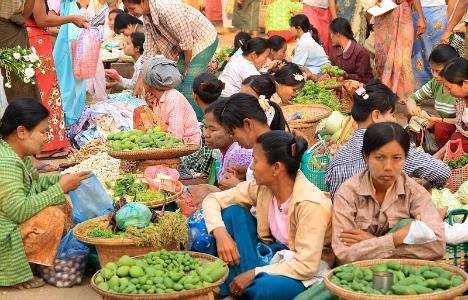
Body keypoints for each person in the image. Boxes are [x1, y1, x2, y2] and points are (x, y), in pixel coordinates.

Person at [202, 130, 332, 299]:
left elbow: (306, 266)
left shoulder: (310, 203)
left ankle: (242, 285)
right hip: (271, 254)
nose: (251, 167)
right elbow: (212, 200)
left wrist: (254, 273)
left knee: (263, 289)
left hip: (303, 269)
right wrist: (220, 234)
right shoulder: (263, 188)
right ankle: (235, 288)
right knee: (232, 213)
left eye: (255, 160)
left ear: (276, 168)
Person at [0, 99, 90, 288]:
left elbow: (34, 183)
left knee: (60, 204)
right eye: (43, 132)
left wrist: (62, 178)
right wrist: (61, 188)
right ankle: (14, 273)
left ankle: (37, 262)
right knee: (52, 217)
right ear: (22, 132)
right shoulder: (7, 162)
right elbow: (18, 210)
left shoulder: (18, 155)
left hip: (9, 221)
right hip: (4, 234)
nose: (46, 138)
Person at [332, 122, 445, 264]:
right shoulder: (348, 194)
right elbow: (344, 254)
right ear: (366, 157)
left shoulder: (414, 192)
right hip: (357, 274)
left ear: (405, 158)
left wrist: (375, 242)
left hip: (401, 273)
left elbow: (438, 246)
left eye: (397, 158)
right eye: (380, 157)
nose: (388, 167)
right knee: (411, 228)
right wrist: (397, 238)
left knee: (407, 224)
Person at [325, 80, 451, 198]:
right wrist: (421, 184)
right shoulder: (393, 148)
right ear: (377, 116)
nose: (394, 119)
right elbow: (442, 172)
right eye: (392, 114)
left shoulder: (338, 158)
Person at [123, 0, 218, 121]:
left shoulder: (167, 9)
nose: (131, 14)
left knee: (189, 84)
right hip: (186, 45)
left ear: (142, 2)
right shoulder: (147, 17)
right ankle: (179, 118)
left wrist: (186, 67)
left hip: (203, 39)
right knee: (177, 83)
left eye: (132, 9)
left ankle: (197, 124)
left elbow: (186, 42)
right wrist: (140, 78)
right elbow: (149, 49)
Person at [21, 0, 88, 158]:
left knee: (45, 93)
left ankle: (44, 145)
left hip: (34, 39)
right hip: (36, 41)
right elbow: (42, 19)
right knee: (47, 93)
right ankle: (48, 147)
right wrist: (72, 19)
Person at [217, 93, 288, 181]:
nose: (233, 138)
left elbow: (271, 192)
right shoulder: (262, 147)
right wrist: (246, 173)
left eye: (232, 132)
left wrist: (236, 185)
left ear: (247, 124)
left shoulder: (272, 152)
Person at [133, 57, 201, 144]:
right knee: (140, 111)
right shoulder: (155, 98)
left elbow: (176, 137)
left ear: (148, 82)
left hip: (188, 146)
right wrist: (150, 105)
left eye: (141, 79)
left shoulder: (173, 98)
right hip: (170, 142)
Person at [406, 44, 460, 148]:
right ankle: (422, 147)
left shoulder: (459, 88)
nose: (434, 75)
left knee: (441, 128)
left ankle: (446, 152)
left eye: (438, 71)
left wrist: (435, 120)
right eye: (432, 70)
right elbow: (412, 98)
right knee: (413, 118)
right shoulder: (434, 83)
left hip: (456, 127)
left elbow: (461, 121)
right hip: (439, 121)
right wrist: (414, 110)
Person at [374, 0, 426, 100]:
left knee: (403, 57)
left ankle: (405, 96)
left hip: (403, 13)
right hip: (384, 12)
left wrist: (421, 17)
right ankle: (385, 91)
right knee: (383, 56)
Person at [179, 73, 225, 180]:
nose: (207, 132)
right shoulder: (223, 111)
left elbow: (204, 160)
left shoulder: (210, 123)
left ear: (194, 96)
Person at [52, 0, 89, 127]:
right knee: (66, 86)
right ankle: (65, 124)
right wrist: (71, 19)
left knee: (70, 86)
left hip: (70, 49)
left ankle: (69, 123)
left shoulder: (71, 4)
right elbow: (46, 22)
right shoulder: (59, 3)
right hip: (66, 50)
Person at [204, 99, 253, 188]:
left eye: (213, 129)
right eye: (205, 127)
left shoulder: (239, 152)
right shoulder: (226, 151)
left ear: (230, 128)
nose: (206, 134)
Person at [411, 0, 448, 87]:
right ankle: (426, 88)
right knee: (419, 54)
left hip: (439, 12)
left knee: (437, 52)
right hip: (419, 11)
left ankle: (440, 87)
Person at [329, 17, 373, 84]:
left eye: (331, 33)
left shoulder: (360, 51)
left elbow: (363, 78)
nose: (330, 36)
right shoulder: (334, 50)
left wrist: (346, 75)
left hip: (361, 88)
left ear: (338, 34)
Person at [440, 57, 468, 152]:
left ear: (465, 83)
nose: (447, 91)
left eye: (449, 88)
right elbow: (460, 127)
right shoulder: (460, 100)